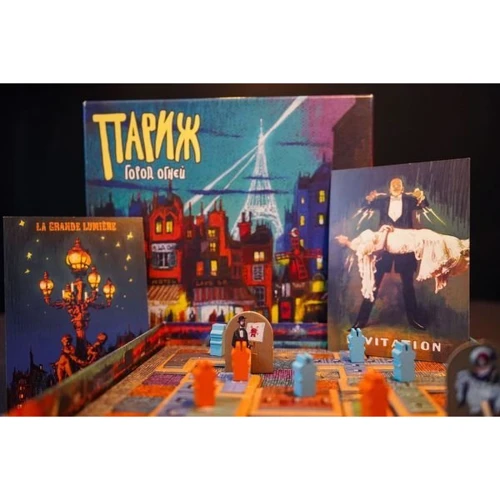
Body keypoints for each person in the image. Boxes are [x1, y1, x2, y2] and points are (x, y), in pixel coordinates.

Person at [339, 178, 430, 331]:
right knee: (373, 282)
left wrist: (421, 197)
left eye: (399, 184)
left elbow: (424, 206)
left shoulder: (409, 200)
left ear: (402, 188)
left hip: (404, 247)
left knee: (408, 285)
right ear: (389, 188)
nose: (396, 186)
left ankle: (414, 320)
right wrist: (369, 199)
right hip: (383, 247)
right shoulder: (382, 201)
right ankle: (360, 321)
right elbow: (365, 206)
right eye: (393, 184)